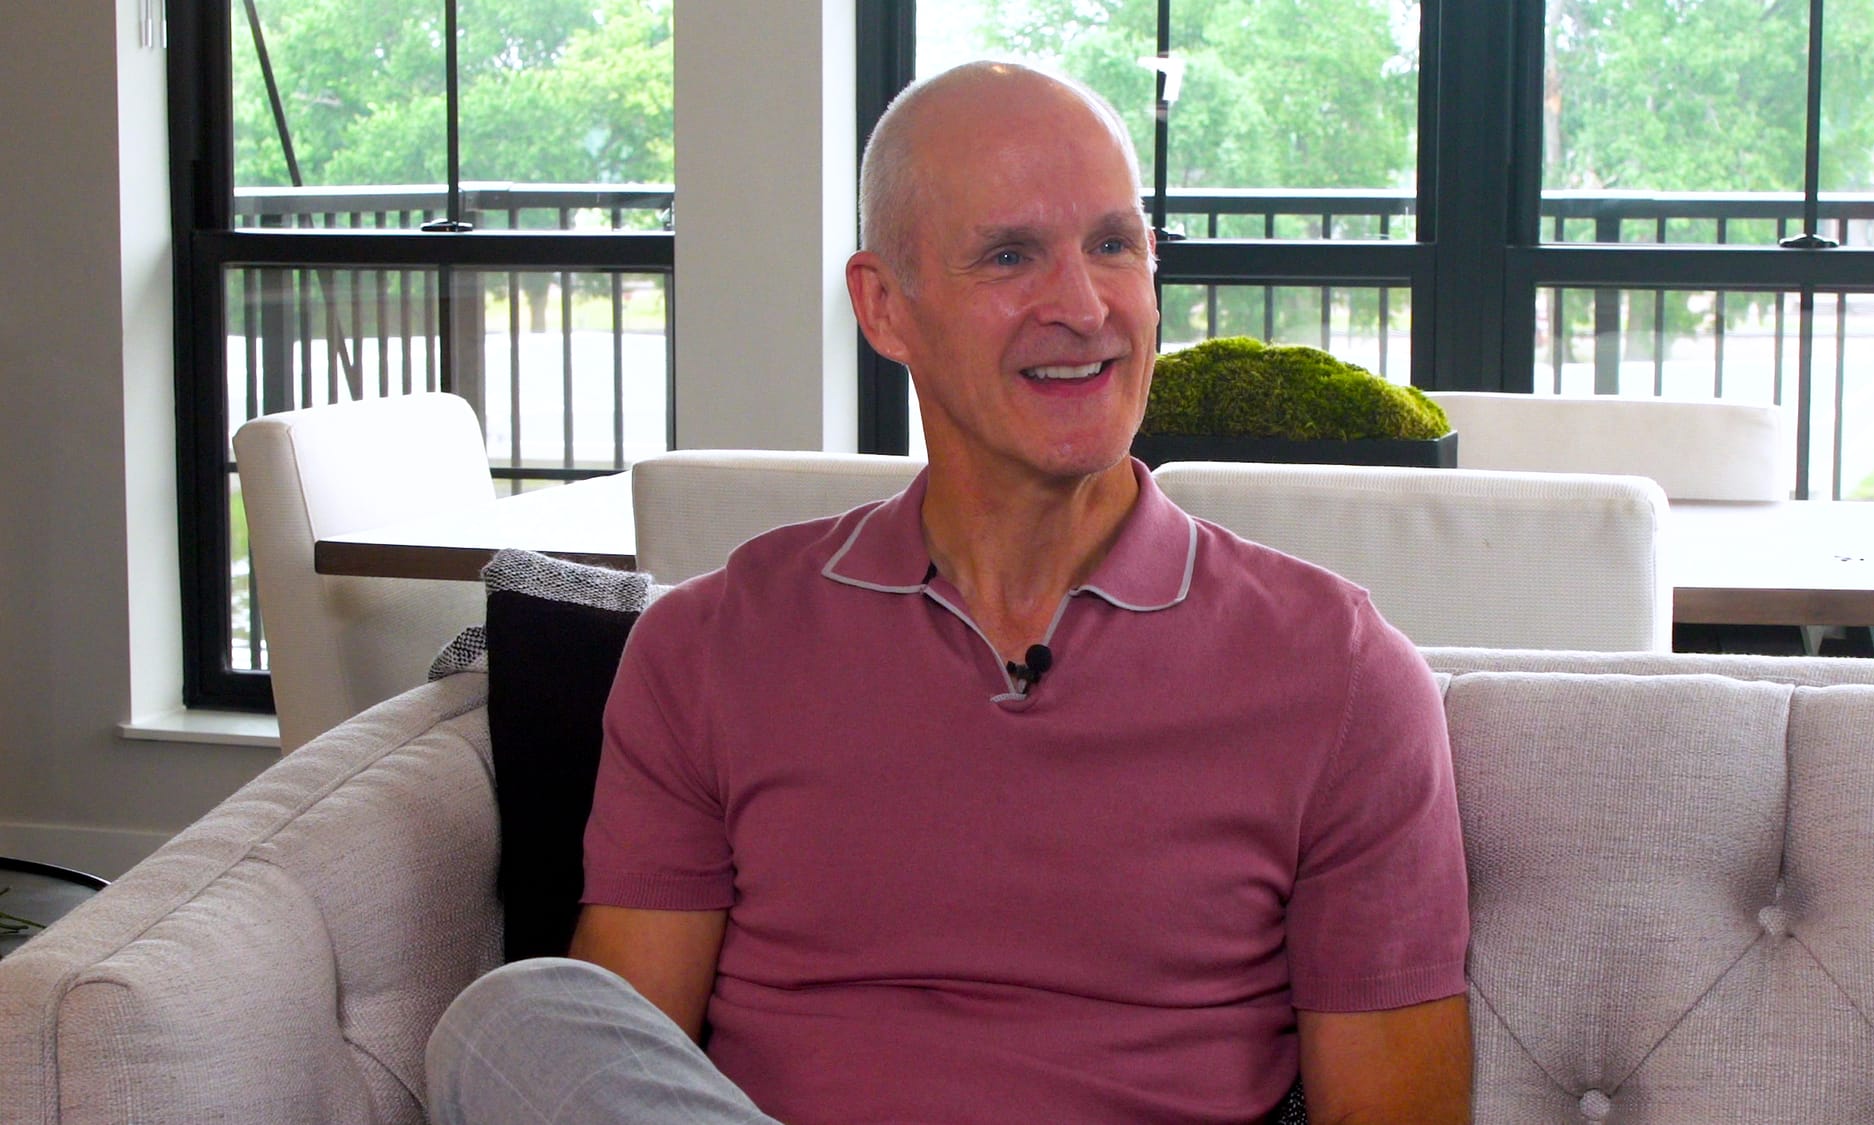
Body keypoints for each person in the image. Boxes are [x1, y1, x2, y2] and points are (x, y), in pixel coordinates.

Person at [427, 60, 1471, 1125]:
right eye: (1010, 256)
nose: (1081, 306)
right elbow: (618, 1055)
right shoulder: (712, 643)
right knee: (517, 1022)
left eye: (1113, 245)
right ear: (885, 308)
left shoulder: (1334, 671)